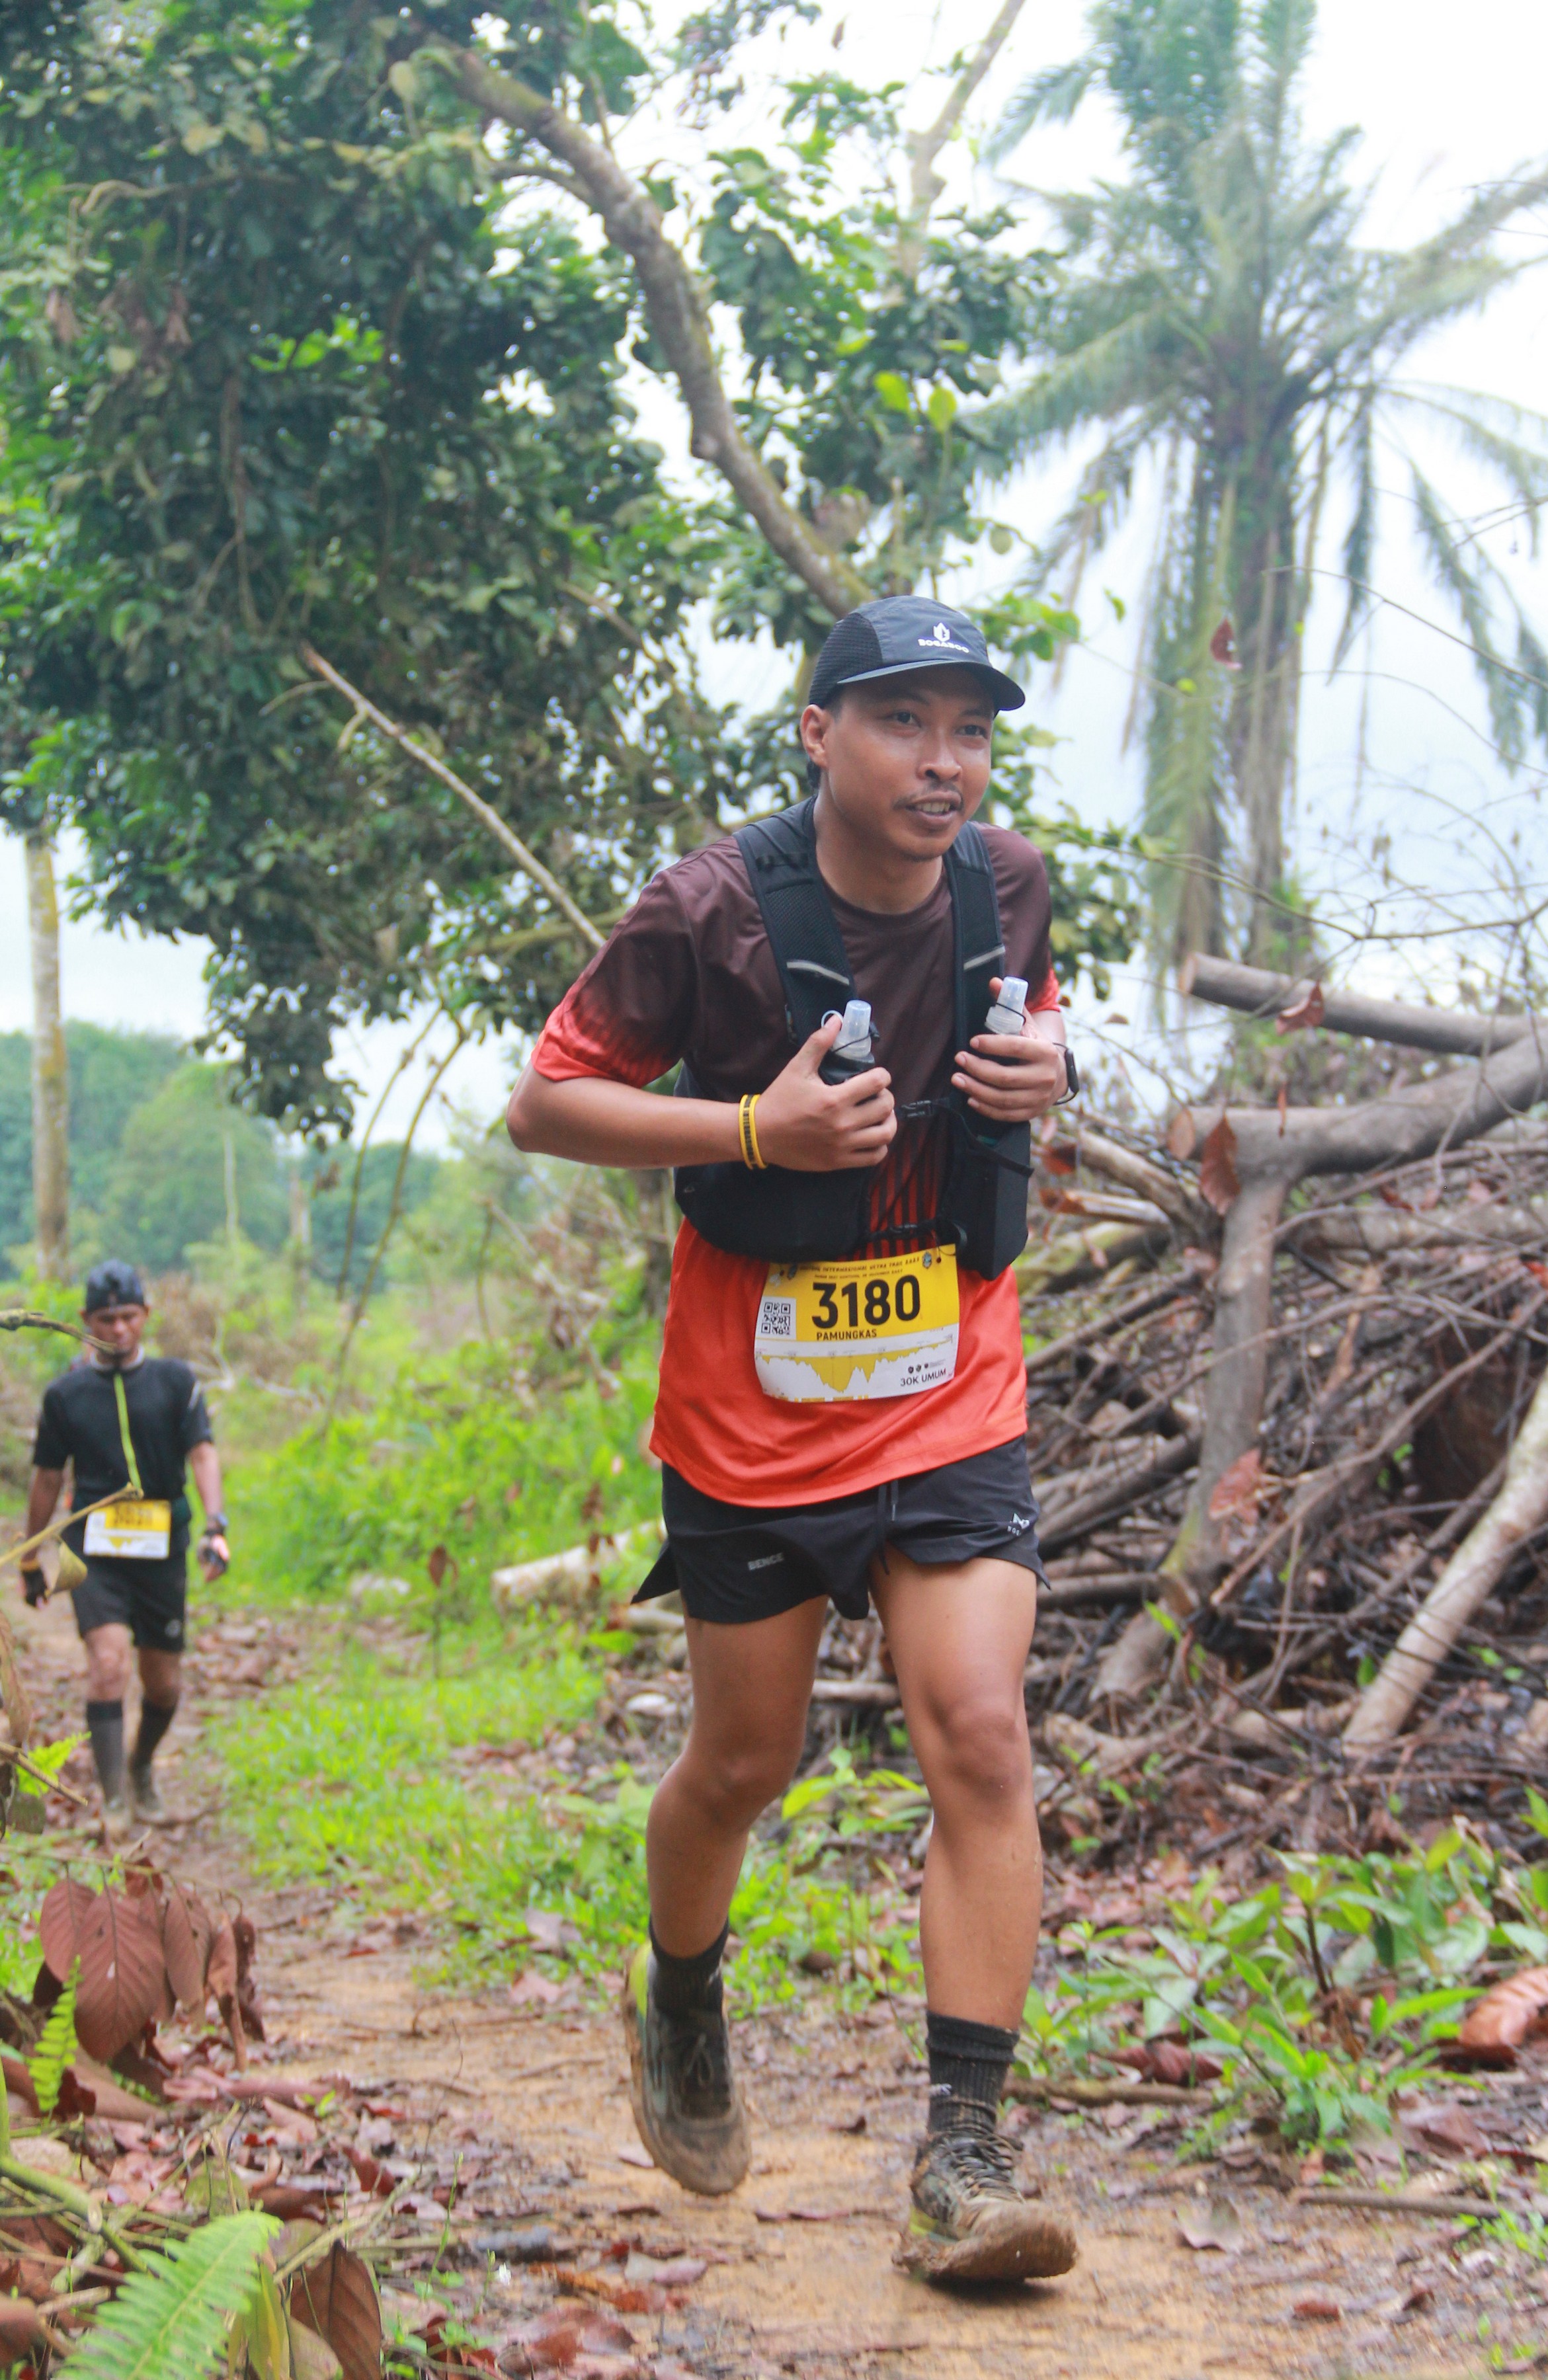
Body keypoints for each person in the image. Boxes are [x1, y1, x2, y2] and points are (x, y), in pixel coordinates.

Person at [507, 595, 1076, 2285]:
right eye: (902, 722)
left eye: (969, 729)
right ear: (818, 734)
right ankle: (679, 1988)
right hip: (754, 1409)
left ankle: (963, 2157)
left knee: (980, 1731)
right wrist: (756, 1125)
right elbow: (545, 1100)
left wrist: (1045, 1069)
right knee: (743, 1762)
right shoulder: (708, 909)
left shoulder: (1006, 884)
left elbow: (1036, 1020)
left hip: (950, 1380)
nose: (943, 761)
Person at [17, 1259, 229, 1829]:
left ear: (146, 1316)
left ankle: (141, 1768)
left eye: (129, 1317)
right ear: (84, 1320)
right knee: (108, 1663)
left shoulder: (175, 1382)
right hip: (94, 1551)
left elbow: (202, 1453)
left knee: (163, 1682)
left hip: (162, 1549)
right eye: (106, 1319)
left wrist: (216, 1524)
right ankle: (112, 1800)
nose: (118, 1329)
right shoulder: (65, 1395)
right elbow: (47, 1478)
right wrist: (31, 1557)